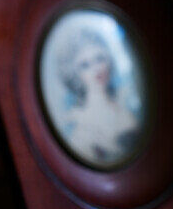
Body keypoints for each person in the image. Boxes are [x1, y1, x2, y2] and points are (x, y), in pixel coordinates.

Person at [55, 27, 141, 168]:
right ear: (75, 74)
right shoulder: (81, 124)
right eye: (85, 65)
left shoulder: (126, 98)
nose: (97, 69)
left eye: (99, 58)